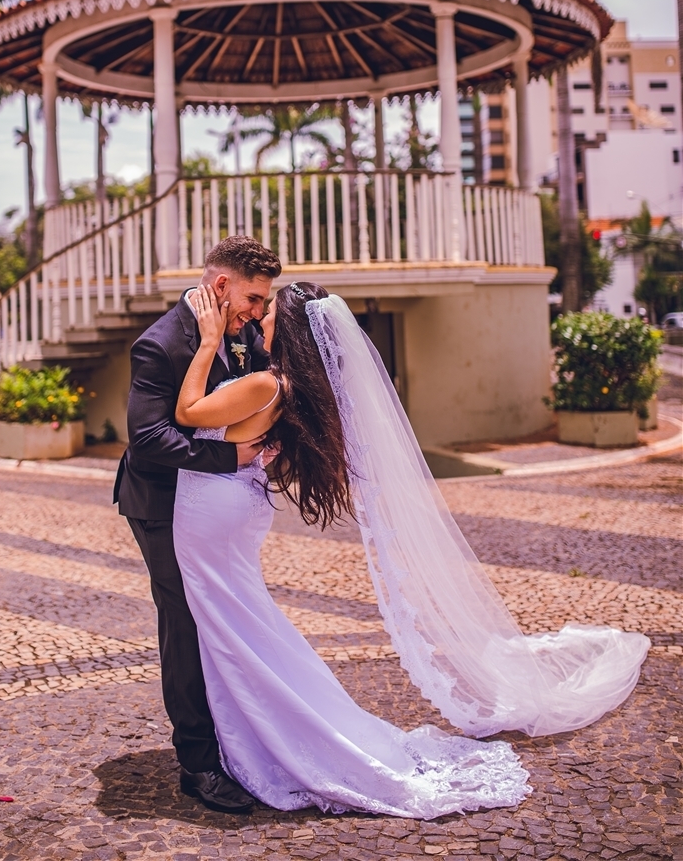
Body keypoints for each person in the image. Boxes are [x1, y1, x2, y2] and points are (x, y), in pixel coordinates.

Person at [171, 280, 651, 819]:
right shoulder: (281, 382)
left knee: (239, 630)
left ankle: (292, 738)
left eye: (270, 310)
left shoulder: (265, 383)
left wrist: (210, 337)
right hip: (224, 509)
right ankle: (267, 734)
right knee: (243, 628)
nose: (261, 317)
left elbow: (189, 413)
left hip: (214, 515)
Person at [114, 235, 282, 814]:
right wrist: (228, 459)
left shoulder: (241, 333)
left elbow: (247, 395)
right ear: (220, 286)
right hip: (161, 505)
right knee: (185, 623)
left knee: (224, 617)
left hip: (212, 503)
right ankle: (199, 765)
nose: (258, 312)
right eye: (254, 299)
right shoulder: (158, 345)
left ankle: (240, 739)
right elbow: (149, 439)